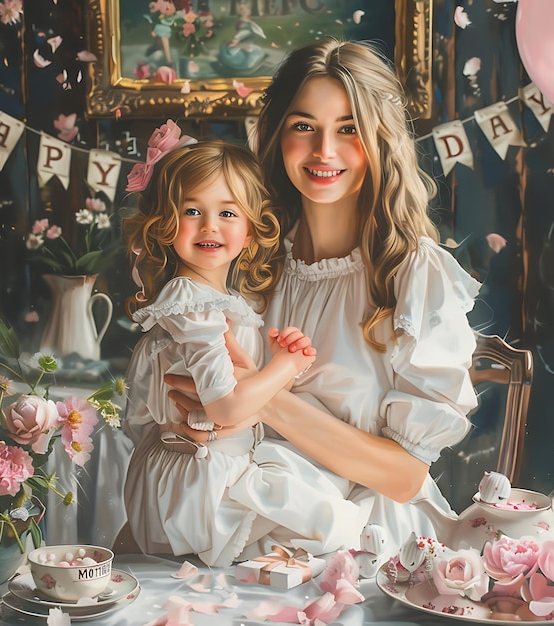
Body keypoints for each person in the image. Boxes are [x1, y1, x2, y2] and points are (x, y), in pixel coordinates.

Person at [167, 37, 482, 560]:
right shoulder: (245, 257)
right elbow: (216, 410)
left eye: (349, 129)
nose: (324, 152)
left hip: (368, 540)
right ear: (276, 132)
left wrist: (260, 397)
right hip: (243, 520)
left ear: (380, 139)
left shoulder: (411, 273)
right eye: (304, 126)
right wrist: (204, 422)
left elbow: (403, 476)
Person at [117, 132, 371, 568]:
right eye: (192, 211)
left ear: (250, 230)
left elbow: (239, 387)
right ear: (165, 223)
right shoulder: (190, 303)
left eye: (227, 212)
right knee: (332, 520)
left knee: (331, 496)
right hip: (197, 486)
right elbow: (226, 407)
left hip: (213, 463)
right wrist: (285, 367)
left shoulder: (222, 302)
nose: (210, 225)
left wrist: (276, 370)